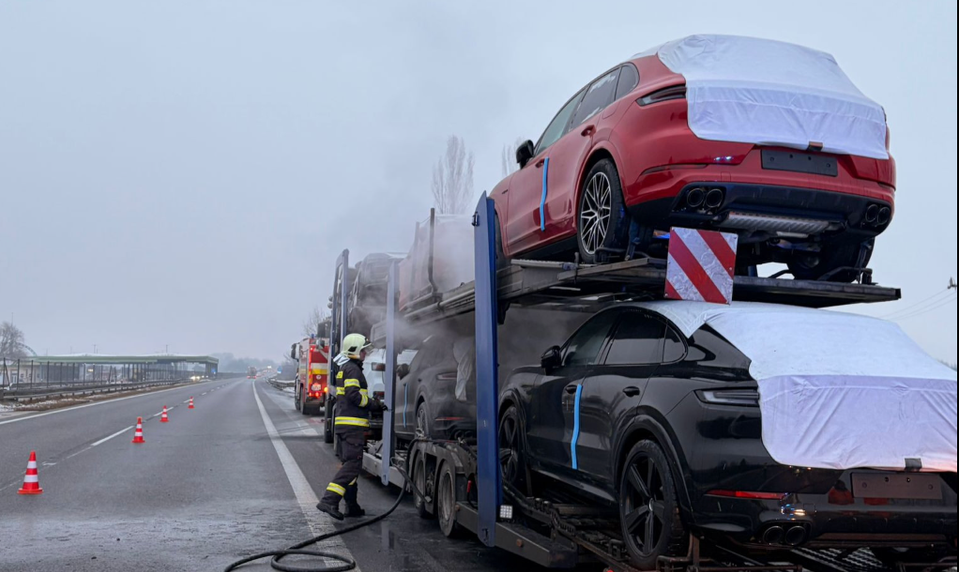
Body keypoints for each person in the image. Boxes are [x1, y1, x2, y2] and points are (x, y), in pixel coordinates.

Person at [316, 333, 387, 520]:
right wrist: (373, 404)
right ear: (354, 350)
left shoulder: (346, 368)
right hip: (351, 426)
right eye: (363, 350)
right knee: (353, 466)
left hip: (345, 425)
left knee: (351, 464)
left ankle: (352, 506)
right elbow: (354, 395)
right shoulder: (353, 370)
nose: (365, 353)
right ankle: (329, 500)